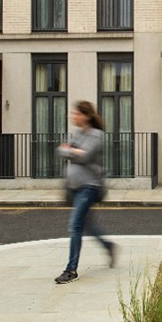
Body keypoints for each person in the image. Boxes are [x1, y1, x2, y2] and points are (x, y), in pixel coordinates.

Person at [54, 100, 116, 284]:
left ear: (87, 116)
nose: (74, 116)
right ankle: (109, 246)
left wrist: (70, 150)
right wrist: (73, 150)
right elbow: (61, 151)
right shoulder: (76, 133)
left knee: (75, 225)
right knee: (87, 225)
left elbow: (85, 156)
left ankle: (70, 270)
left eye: (77, 114)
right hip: (74, 188)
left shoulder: (96, 135)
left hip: (90, 186)